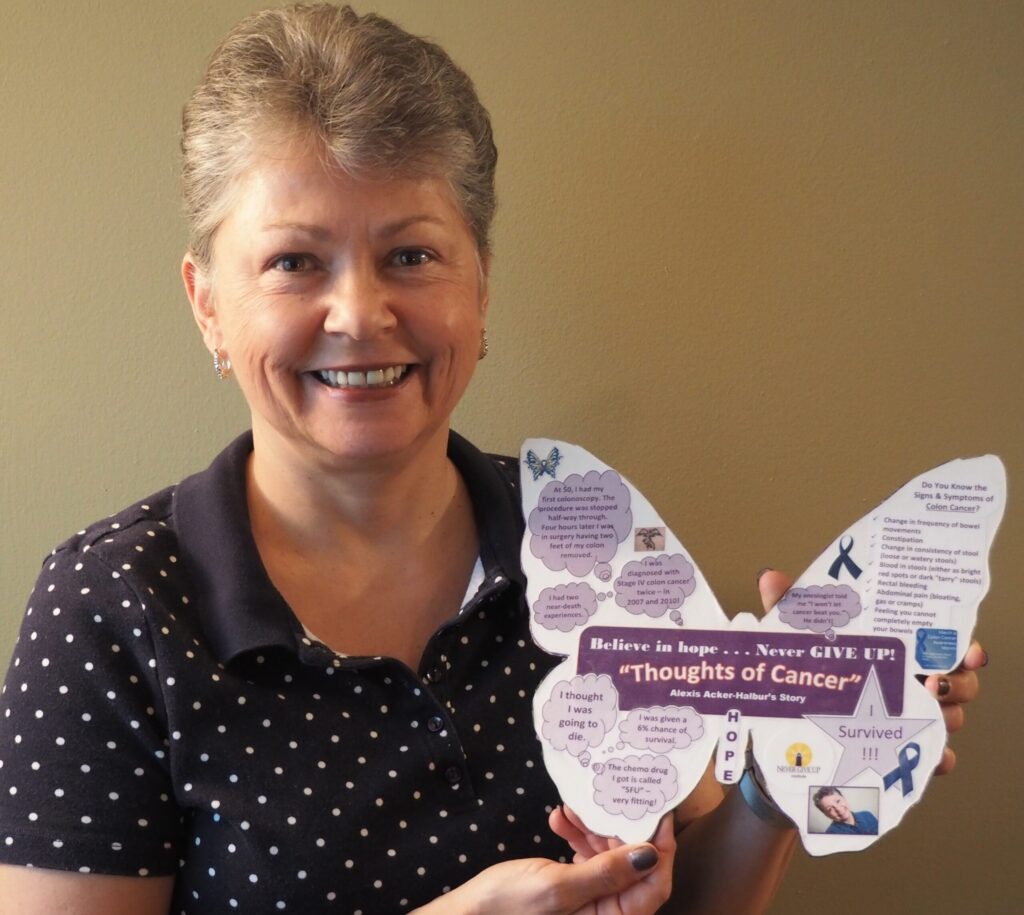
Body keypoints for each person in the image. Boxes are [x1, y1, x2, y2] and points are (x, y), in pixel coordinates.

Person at [0, 5, 987, 913]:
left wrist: (785, 773)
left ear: (480, 289)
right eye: (294, 261)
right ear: (208, 304)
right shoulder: (110, 611)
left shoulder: (598, 533)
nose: (360, 314)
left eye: (411, 255)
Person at [811, 788, 879, 836]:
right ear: (826, 815)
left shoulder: (867, 815)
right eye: (830, 809)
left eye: (838, 801)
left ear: (844, 798)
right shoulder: (831, 834)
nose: (838, 809)